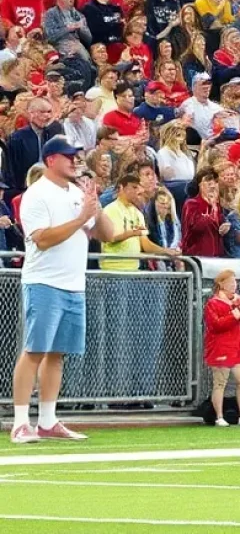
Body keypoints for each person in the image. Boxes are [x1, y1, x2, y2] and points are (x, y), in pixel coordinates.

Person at [10, 136, 118, 443]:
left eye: (78, 155)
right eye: (69, 156)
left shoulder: (76, 192)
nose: (76, 161)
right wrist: (81, 218)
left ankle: (47, 419)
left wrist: (96, 207)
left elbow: (107, 234)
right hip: (44, 281)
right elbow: (41, 239)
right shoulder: (37, 194)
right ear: (50, 160)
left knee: (57, 354)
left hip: (74, 284)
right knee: (34, 351)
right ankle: (20, 422)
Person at [203, 269, 240, 427]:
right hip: (221, 347)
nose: (234, 285)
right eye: (230, 282)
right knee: (220, 383)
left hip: (237, 348)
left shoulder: (238, 301)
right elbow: (216, 325)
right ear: (221, 284)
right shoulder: (213, 303)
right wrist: (234, 314)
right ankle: (219, 416)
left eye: (235, 281)